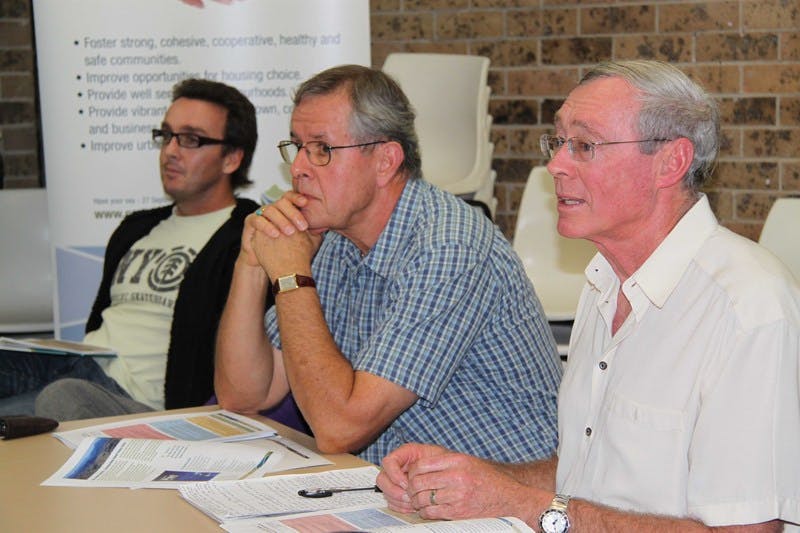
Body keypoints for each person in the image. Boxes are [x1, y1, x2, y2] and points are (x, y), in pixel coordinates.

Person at [376, 60, 800, 531]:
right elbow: (586, 474)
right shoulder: (604, 282)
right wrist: (467, 480)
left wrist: (523, 505)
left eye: (584, 145)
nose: (555, 164)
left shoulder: (747, 308)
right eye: (558, 143)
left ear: (671, 162)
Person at [214, 64, 562, 465]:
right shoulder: (337, 239)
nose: (298, 168)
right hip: (401, 495)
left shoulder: (448, 247)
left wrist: (292, 277)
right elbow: (245, 395)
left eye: (322, 149)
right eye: (296, 146)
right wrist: (252, 263)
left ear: (385, 161)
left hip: (504, 504)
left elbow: (338, 429)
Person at [0, 78, 268, 420]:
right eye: (166, 135)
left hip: (128, 401)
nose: (170, 151)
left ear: (231, 158)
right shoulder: (136, 228)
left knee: (59, 399)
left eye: (190, 139)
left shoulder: (247, 238)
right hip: (75, 366)